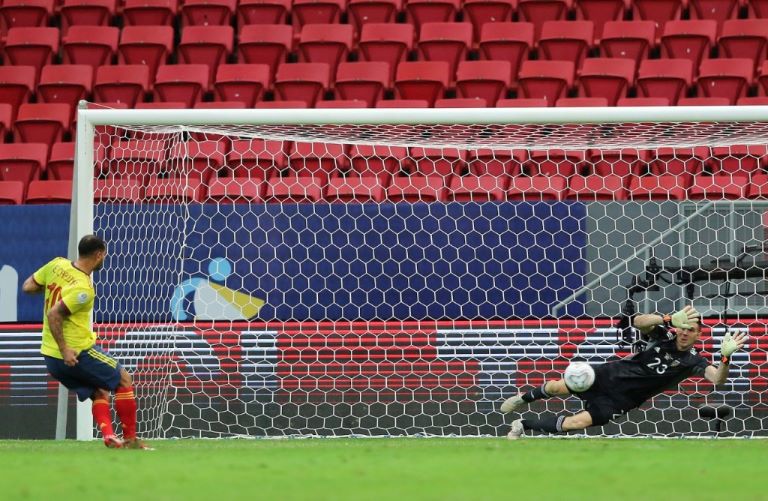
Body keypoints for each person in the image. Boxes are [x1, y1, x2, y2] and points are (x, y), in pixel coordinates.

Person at [501, 305, 748, 439]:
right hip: (607, 376)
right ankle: (522, 399)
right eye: (683, 327)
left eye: (691, 330)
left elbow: (717, 379)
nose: (685, 332)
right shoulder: (661, 336)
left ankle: (523, 425)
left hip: (623, 400)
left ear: (698, 335)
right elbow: (638, 321)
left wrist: (725, 358)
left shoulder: (694, 361)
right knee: (558, 387)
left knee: (576, 423)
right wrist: (668, 318)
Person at [22, 234, 150, 449]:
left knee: (99, 391)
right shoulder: (83, 288)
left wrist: (56, 288)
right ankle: (131, 440)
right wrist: (65, 349)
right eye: (105, 255)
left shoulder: (57, 264)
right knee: (124, 380)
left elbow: (28, 286)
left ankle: (110, 436)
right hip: (75, 352)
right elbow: (55, 314)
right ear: (99, 255)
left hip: (50, 357)